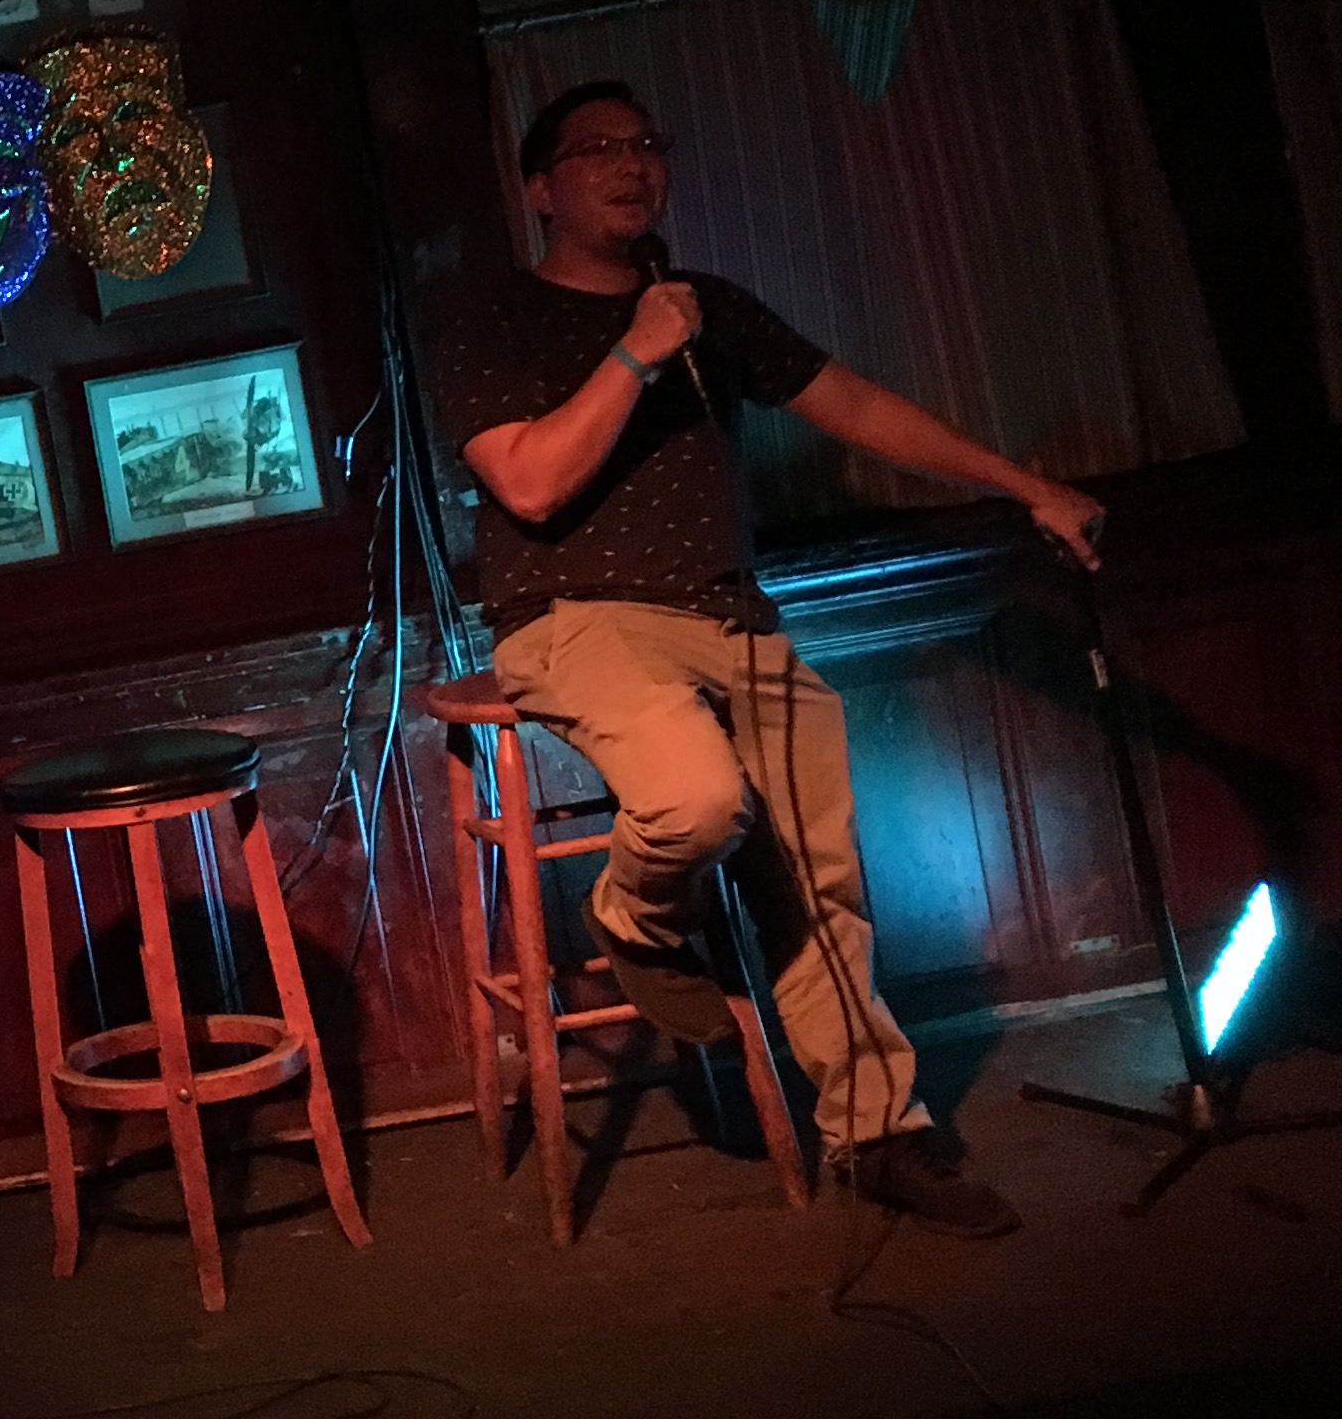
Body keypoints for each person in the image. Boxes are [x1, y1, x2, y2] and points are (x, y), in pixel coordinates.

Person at [424, 81, 1107, 1239]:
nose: (632, 164)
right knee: (695, 799)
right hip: (575, 616)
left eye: (648, 142)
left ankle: (876, 1133)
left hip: (730, 615)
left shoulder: (708, 309)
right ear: (541, 189)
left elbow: (859, 407)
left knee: (817, 875)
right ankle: (631, 916)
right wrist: (635, 355)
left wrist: (1024, 483)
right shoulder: (498, 321)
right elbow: (530, 484)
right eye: (598, 149)